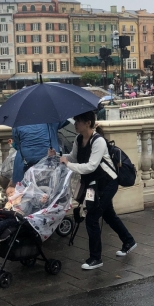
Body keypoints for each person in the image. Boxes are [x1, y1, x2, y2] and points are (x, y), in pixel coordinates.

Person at [58, 110, 136, 270]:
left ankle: (96, 258)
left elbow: (91, 166)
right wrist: (59, 156)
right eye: (75, 120)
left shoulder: (98, 141)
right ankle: (129, 241)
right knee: (108, 214)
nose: (75, 124)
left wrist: (68, 164)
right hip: (93, 184)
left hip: (107, 183)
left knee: (92, 218)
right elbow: (73, 157)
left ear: (88, 123)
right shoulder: (79, 139)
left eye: (78, 121)